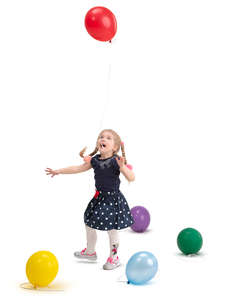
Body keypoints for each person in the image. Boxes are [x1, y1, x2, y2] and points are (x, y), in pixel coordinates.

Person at [45, 129, 135, 270]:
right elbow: (77, 168)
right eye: (101, 137)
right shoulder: (95, 160)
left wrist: (123, 166)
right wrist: (59, 171)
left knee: (112, 229)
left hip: (113, 200)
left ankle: (114, 257)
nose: (103, 139)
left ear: (115, 147)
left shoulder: (116, 161)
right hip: (99, 198)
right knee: (89, 222)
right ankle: (90, 251)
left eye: (108, 138)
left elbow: (131, 177)